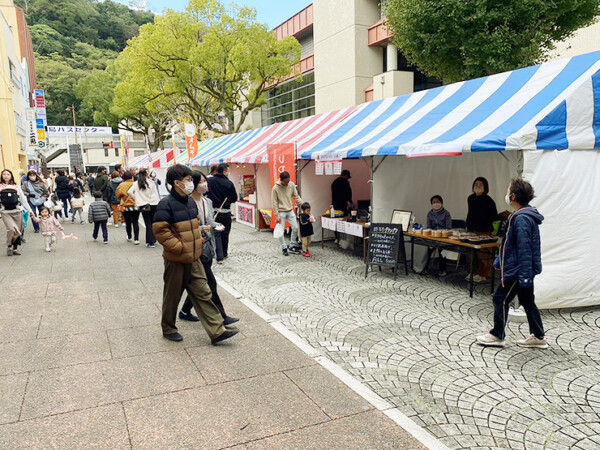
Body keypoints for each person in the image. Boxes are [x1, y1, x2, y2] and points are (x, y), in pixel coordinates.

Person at [152, 164, 238, 345]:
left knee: (203, 292)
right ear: (177, 183)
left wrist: (198, 242)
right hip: (176, 259)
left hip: (195, 257)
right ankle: (168, 327)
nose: (192, 183)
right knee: (172, 296)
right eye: (188, 180)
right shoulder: (165, 204)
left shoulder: (190, 202)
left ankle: (217, 331)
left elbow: (195, 226)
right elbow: (161, 232)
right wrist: (179, 247)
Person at [477, 178, 546, 349]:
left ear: (513, 196)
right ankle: (538, 336)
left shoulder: (521, 218)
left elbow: (524, 249)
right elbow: (511, 244)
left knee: (500, 298)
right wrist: (500, 260)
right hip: (521, 269)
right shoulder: (522, 215)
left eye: (508, 191)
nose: (506, 194)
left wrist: (523, 277)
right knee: (527, 300)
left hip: (518, 271)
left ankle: (497, 334)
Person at [179, 170, 239, 326]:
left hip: (208, 246)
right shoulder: (187, 203)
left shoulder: (208, 202)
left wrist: (216, 225)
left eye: (205, 180)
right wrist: (200, 229)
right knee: (210, 283)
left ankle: (184, 311)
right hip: (194, 246)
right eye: (200, 181)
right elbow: (184, 227)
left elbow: (210, 221)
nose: (204, 184)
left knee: (199, 283)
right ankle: (222, 317)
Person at [466, 177, 498, 282]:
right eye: (476, 184)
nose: (478, 186)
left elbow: (494, 216)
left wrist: (484, 221)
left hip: (484, 230)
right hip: (471, 229)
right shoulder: (470, 198)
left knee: (484, 254)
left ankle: (483, 274)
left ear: (485, 187)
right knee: (470, 253)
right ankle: (472, 272)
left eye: (480, 184)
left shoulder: (489, 200)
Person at [207, 163, 238, 263]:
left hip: (212, 211)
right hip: (225, 211)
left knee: (216, 233)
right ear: (224, 171)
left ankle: (218, 254)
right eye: (228, 171)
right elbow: (234, 198)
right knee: (225, 233)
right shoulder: (228, 183)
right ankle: (224, 253)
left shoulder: (210, 180)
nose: (228, 173)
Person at [0, 169, 35, 256]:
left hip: (17, 211)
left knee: (18, 231)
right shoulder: (0, 187)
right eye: (4, 174)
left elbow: (23, 199)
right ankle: (9, 245)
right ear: (1, 176)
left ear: (11, 175)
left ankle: (15, 248)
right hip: (5, 212)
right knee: (11, 229)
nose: (6, 176)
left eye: (8, 174)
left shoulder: (16, 187)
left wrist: (30, 210)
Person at [272, 171, 303, 256]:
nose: (287, 183)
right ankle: (284, 247)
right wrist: (277, 215)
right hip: (281, 211)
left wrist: (303, 205)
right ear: (281, 180)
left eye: (288, 181)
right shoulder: (275, 188)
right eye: (285, 182)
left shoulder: (291, 184)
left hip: (290, 210)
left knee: (295, 227)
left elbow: (296, 196)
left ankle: (293, 244)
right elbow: (274, 203)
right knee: (281, 231)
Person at [128, 168, 160, 248]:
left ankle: (149, 242)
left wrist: (137, 198)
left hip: (143, 204)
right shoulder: (151, 182)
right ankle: (152, 240)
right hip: (153, 203)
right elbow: (156, 194)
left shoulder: (136, 183)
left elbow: (129, 192)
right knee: (153, 222)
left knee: (147, 223)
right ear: (147, 174)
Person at [426, 195, 452, 276]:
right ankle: (425, 268)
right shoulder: (430, 214)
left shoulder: (446, 214)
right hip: (433, 237)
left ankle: (442, 270)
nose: (436, 204)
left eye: (437, 202)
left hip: (443, 237)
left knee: (442, 250)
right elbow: (429, 227)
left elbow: (448, 228)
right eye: (434, 202)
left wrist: (441, 233)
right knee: (425, 248)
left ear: (442, 203)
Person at [116, 171, 140, 244]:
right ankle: (136, 239)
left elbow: (118, 195)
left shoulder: (121, 185)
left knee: (128, 222)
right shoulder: (136, 184)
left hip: (125, 206)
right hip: (136, 205)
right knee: (135, 222)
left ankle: (129, 236)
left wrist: (122, 199)